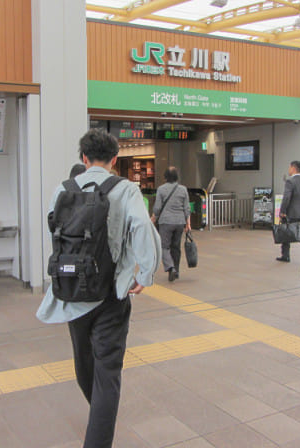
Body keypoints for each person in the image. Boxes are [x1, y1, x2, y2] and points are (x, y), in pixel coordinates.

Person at [36, 129, 161, 448]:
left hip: (72, 291)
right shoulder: (126, 189)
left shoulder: (62, 189)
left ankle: (99, 414)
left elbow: (54, 233)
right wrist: (144, 274)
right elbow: (143, 229)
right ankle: (100, 428)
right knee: (108, 373)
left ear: (83, 158)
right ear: (115, 159)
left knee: (84, 363)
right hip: (111, 294)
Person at [151, 166, 191, 282]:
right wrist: (188, 223)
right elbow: (186, 208)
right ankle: (176, 271)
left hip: (166, 222)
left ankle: (170, 267)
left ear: (165, 177)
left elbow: (158, 208)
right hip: (180, 222)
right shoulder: (183, 189)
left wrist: (153, 218)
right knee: (176, 247)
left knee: (164, 246)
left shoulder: (161, 189)